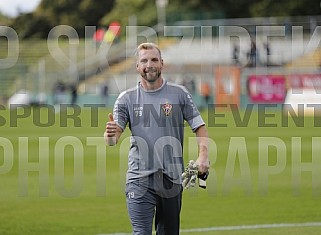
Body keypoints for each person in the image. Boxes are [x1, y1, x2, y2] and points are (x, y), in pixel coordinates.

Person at [104, 42, 210, 235]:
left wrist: (203, 156)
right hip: (139, 179)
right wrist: (110, 135)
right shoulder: (125, 99)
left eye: (154, 60)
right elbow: (113, 139)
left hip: (172, 179)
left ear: (162, 63)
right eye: (144, 60)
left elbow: (199, 127)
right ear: (137, 66)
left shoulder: (180, 94)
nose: (149, 64)